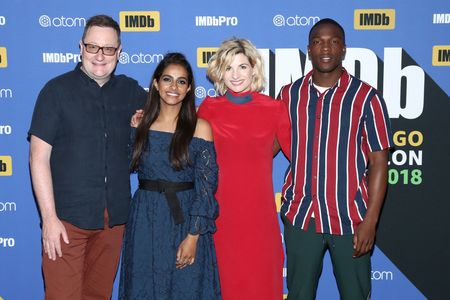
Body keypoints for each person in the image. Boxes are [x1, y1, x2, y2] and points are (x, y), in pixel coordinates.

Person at [28, 15, 147, 300]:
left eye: (108, 49)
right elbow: (38, 158)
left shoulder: (132, 92)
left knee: (98, 296)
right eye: (93, 47)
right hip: (66, 221)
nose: (100, 56)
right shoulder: (55, 91)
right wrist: (49, 219)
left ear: (119, 52)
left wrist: (138, 130)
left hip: (114, 221)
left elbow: (156, 140)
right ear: (80, 47)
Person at [278, 18, 393, 300]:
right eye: (318, 41)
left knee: (356, 295)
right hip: (302, 216)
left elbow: (379, 162)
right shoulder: (288, 94)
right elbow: (264, 145)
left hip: (350, 219)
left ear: (344, 49)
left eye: (333, 41)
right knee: (299, 295)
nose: (325, 48)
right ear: (309, 49)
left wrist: (370, 221)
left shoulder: (367, 97)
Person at [118, 53, 221, 299]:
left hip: (184, 220)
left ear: (188, 89)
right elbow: (128, 164)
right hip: (145, 219)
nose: (173, 87)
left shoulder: (200, 127)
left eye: (181, 81)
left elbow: (207, 188)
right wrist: (134, 131)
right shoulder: (141, 124)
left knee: (186, 287)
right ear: (155, 83)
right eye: (167, 79)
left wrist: (193, 236)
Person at [197, 38, 291, 300]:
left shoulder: (274, 109)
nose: (235, 75)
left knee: (260, 286)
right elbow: (187, 154)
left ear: (253, 69)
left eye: (242, 67)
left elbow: (303, 156)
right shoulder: (208, 109)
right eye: (228, 68)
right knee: (223, 287)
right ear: (220, 72)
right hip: (220, 217)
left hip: (259, 219)